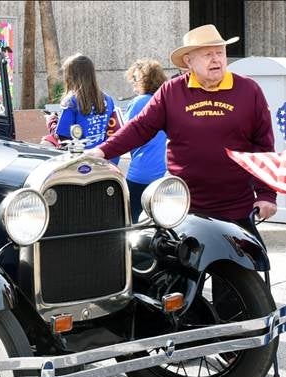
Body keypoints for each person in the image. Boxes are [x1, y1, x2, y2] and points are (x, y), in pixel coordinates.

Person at [88, 24, 277, 231]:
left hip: (238, 208)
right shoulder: (171, 91)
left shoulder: (249, 90)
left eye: (220, 53)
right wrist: (102, 151)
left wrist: (267, 195)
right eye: (207, 54)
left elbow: (263, 145)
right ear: (189, 61)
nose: (216, 59)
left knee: (252, 263)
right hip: (182, 207)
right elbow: (140, 127)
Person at [123, 59, 168, 221]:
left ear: (145, 80)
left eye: (135, 79)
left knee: (132, 223)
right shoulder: (166, 101)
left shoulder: (138, 102)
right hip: (164, 175)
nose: (133, 84)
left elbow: (125, 135)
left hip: (141, 173)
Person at [55, 53, 119, 159]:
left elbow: (63, 137)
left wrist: (51, 122)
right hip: (102, 156)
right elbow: (112, 130)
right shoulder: (108, 99)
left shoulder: (71, 101)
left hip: (79, 159)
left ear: (70, 77)